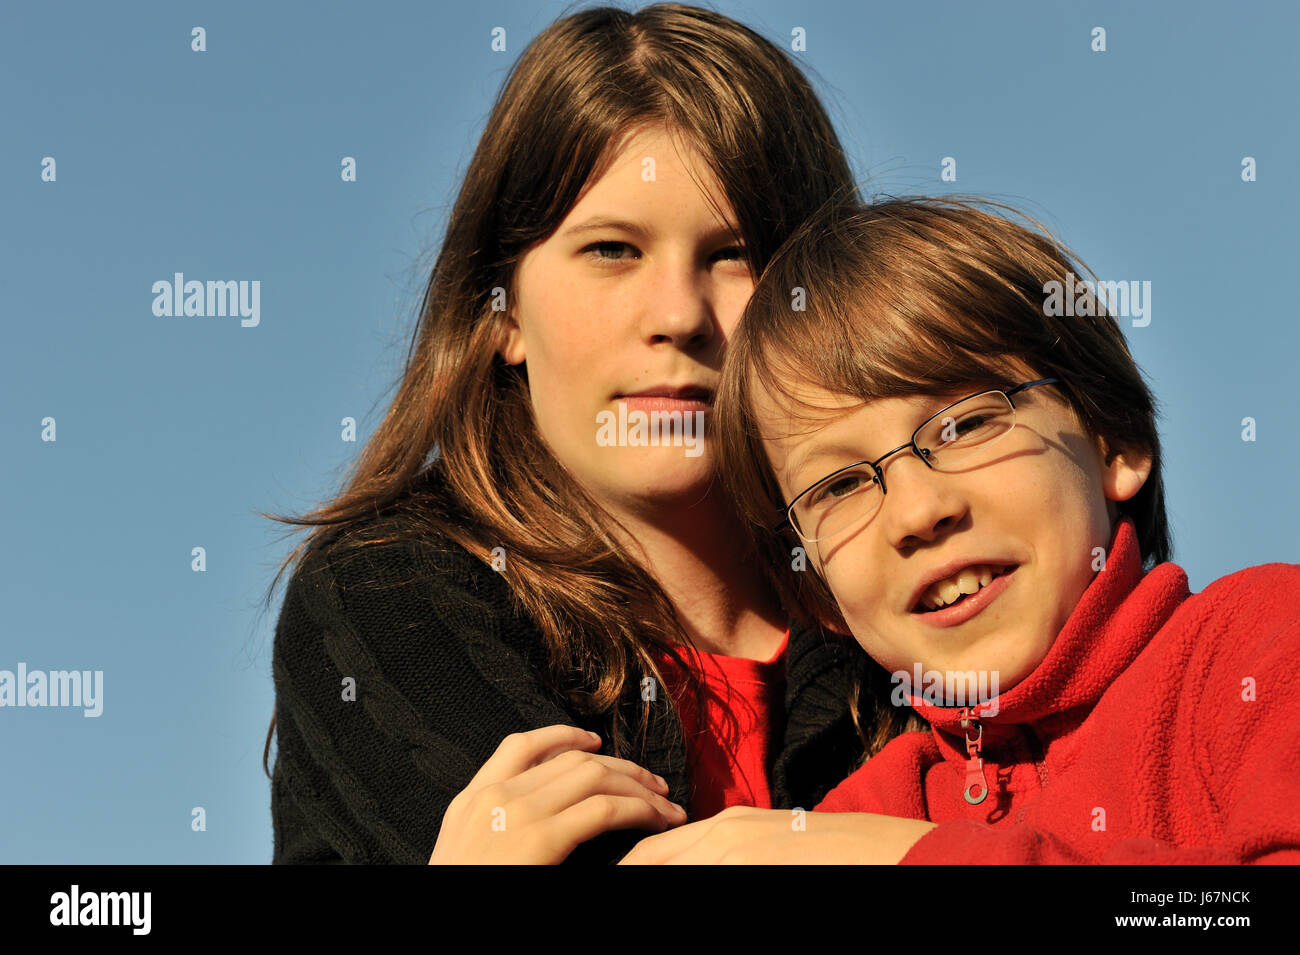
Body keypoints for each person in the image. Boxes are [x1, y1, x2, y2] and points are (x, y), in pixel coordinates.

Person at [261, 3, 917, 865]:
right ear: (501, 314)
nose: (678, 314)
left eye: (735, 254)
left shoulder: (917, 597)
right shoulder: (390, 598)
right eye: (612, 250)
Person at [619, 195, 1300, 863]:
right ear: (815, 593)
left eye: (968, 423)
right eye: (840, 485)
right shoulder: (856, 819)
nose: (918, 512)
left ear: (1112, 437)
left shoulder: (1261, 647)